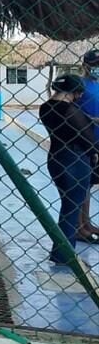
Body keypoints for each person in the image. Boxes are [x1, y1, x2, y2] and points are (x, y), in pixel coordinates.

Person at [39, 74, 96, 265]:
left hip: (57, 157)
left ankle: (62, 252)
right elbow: (88, 138)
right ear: (75, 92)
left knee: (68, 206)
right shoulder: (70, 109)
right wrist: (94, 151)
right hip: (75, 160)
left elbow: (74, 124)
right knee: (71, 209)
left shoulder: (46, 107)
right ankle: (64, 255)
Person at [77, 49, 99, 242]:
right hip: (85, 139)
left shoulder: (97, 85)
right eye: (95, 65)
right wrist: (91, 119)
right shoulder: (79, 85)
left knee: (89, 183)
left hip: (97, 140)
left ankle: (86, 222)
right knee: (81, 182)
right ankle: (79, 227)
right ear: (85, 65)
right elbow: (69, 110)